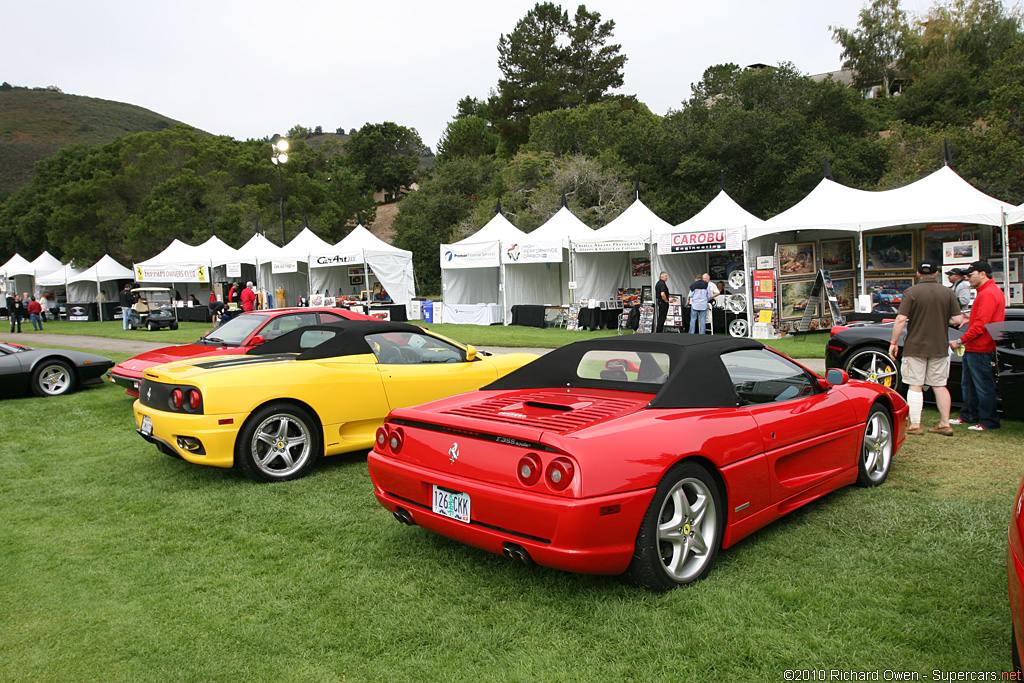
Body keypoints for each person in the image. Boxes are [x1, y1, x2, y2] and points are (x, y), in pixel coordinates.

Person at [888, 261, 964, 436]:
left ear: (918, 274)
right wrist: (940, 319)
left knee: (915, 384)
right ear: (937, 274)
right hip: (939, 345)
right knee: (939, 385)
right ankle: (945, 423)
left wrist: (893, 342)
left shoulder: (911, 292)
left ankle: (915, 424)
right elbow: (957, 320)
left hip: (916, 345)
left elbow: (900, 319)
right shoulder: (947, 292)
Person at [949, 260, 1006, 431]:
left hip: (981, 347)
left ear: (982, 274)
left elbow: (982, 325)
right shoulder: (987, 292)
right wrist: (970, 319)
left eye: (970, 275)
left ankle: (988, 421)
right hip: (976, 346)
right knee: (970, 384)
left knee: (982, 385)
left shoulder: (988, 293)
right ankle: (969, 415)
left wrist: (960, 340)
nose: (967, 279)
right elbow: (982, 320)